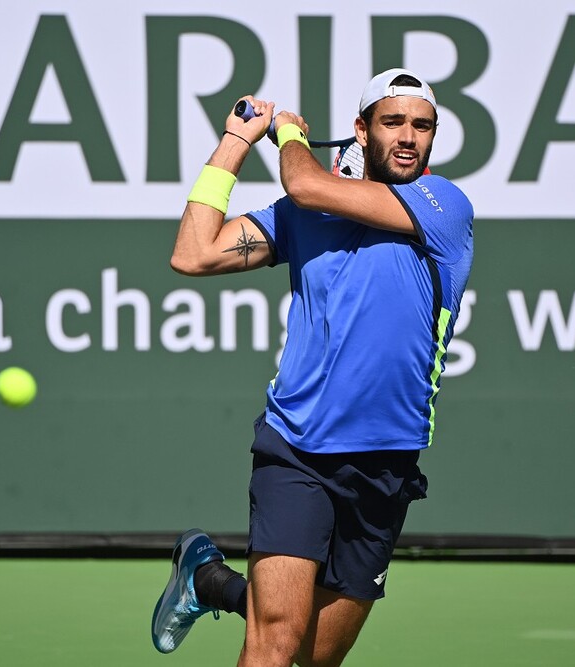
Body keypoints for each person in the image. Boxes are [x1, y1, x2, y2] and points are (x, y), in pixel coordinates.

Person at [152, 68, 474, 667]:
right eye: (393, 122)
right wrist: (236, 143)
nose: (408, 136)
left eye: (422, 125)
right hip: (295, 449)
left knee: (313, 653)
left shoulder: (444, 206)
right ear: (361, 130)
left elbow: (306, 186)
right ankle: (233, 595)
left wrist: (290, 137)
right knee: (273, 645)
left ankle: (208, 582)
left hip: (386, 464)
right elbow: (192, 254)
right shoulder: (303, 217)